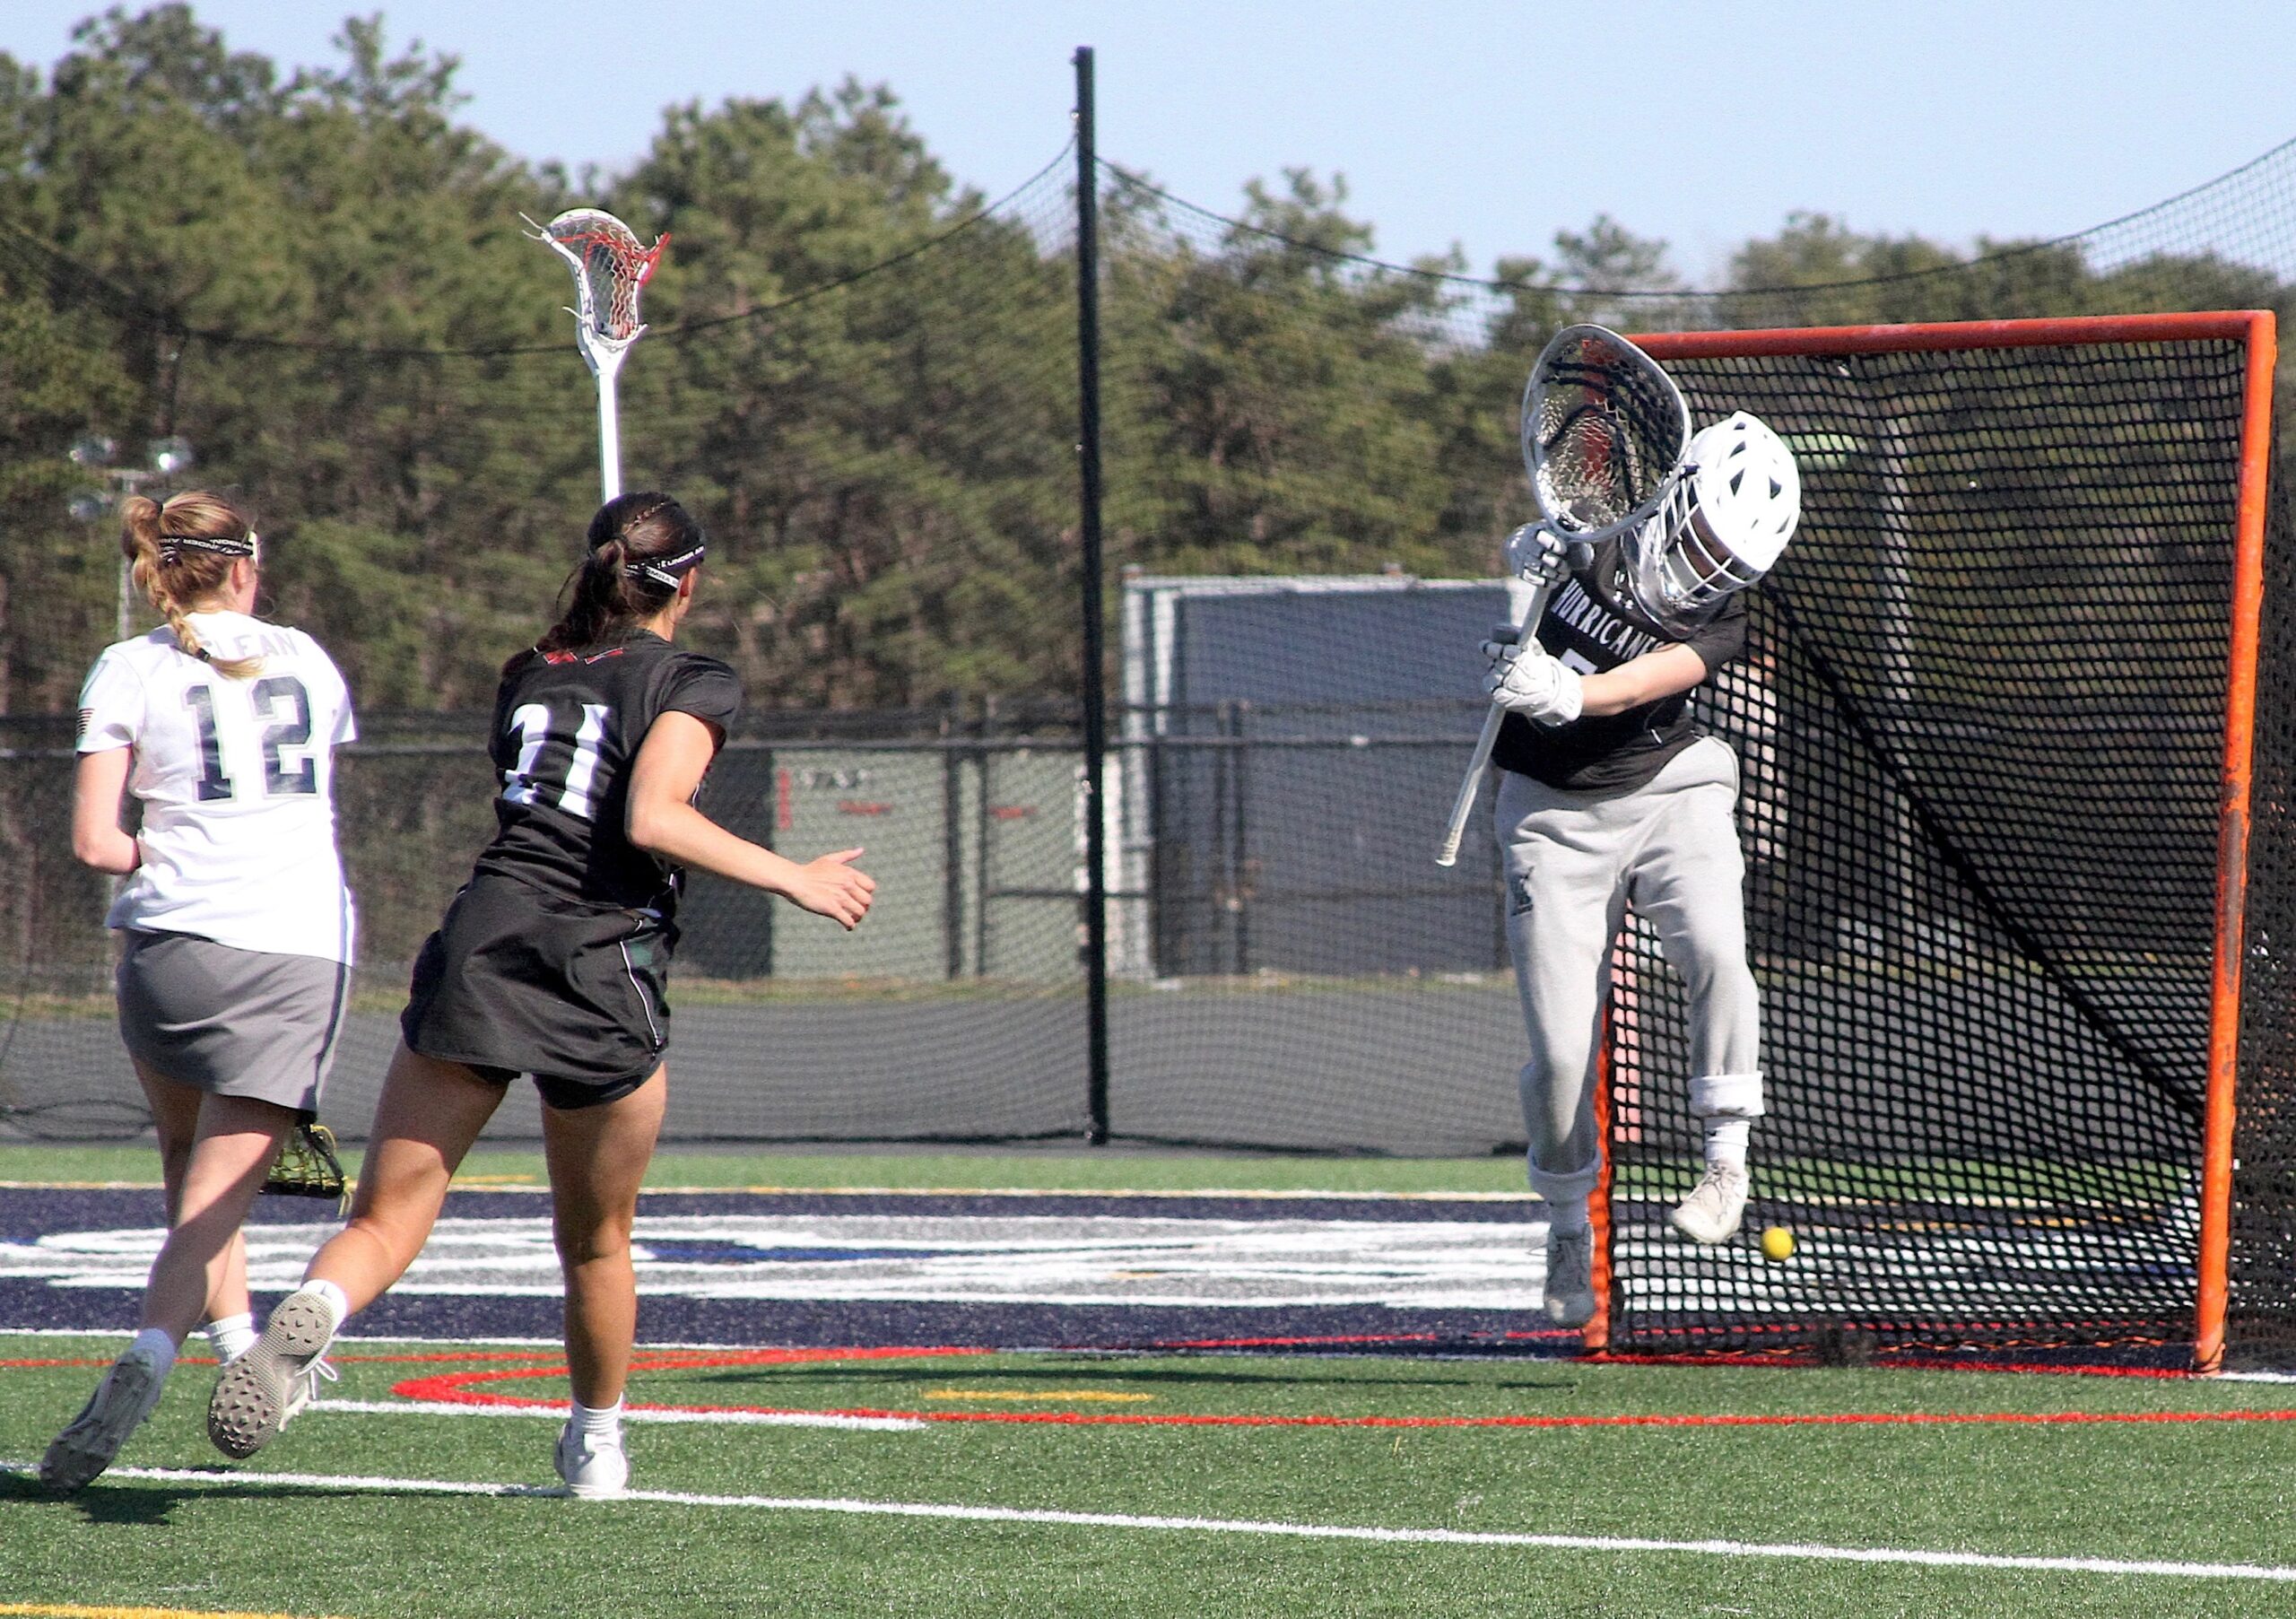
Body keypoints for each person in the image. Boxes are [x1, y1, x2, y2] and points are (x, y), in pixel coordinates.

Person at [207, 492, 875, 1496]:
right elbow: (650, 816)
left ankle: (317, 1309)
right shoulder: (692, 676)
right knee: (597, 1238)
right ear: (687, 581)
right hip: (598, 958)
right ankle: (596, 1444)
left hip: (485, 935)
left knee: (388, 1217)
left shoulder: (530, 670)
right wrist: (795, 876)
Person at [41, 492, 357, 1491]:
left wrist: (168, 850)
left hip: (169, 951)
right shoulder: (307, 656)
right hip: (292, 945)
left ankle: (229, 1338)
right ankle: (152, 1350)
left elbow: (98, 843)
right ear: (245, 566)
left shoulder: (129, 664)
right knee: (220, 1190)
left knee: (189, 1158)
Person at [1480, 412, 1800, 1329]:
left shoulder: (1719, 624)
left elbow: (1623, 687)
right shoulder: (1595, 528)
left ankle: (1726, 1156)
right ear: (1677, 501)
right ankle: (1565, 1219)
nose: (1709, 568)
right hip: (1546, 812)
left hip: (1670, 787)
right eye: (1705, 538)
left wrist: (1566, 692)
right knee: (1559, 1055)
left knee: (1716, 952)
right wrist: (1521, 579)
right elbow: (1531, 609)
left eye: (1731, 562)